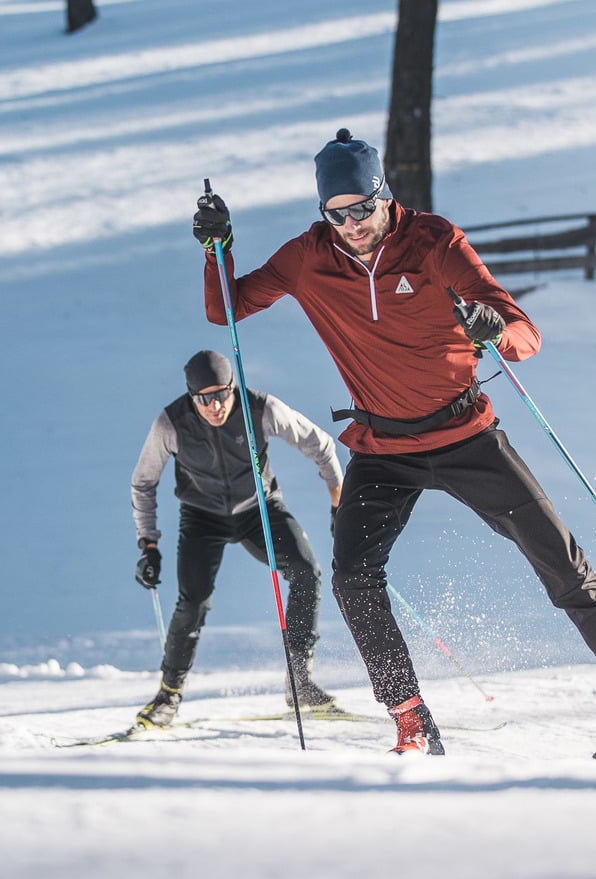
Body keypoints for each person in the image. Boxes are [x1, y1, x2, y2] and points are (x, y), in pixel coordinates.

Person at [192, 128, 596, 755]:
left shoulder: (434, 241)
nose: (351, 223)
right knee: (353, 575)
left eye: (362, 208)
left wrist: (494, 326)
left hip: (467, 435)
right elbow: (229, 309)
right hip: (383, 449)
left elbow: (525, 335)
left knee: (561, 563)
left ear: (385, 195)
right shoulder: (309, 256)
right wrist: (218, 249)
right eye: (336, 213)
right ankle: (409, 715)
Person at [131, 349, 344, 729]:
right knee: (193, 601)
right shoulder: (171, 423)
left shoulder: (261, 409)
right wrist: (148, 543)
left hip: (258, 509)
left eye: (222, 395)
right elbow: (143, 482)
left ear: (233, 387)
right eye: (204, 399)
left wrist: (337, 506)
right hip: (202, 516)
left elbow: (321, 445)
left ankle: (299, 682)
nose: (214, 406)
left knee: (306, 570)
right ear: (191, 396)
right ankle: (168, 695)